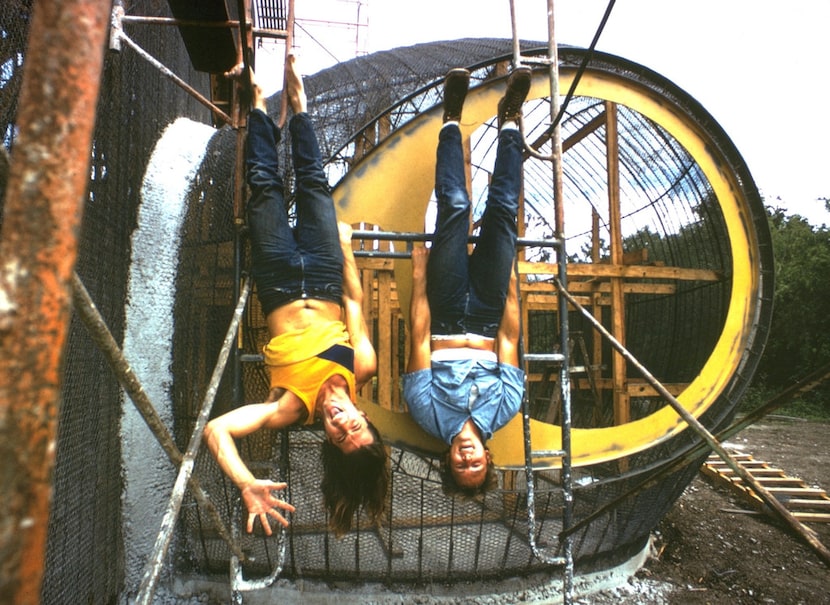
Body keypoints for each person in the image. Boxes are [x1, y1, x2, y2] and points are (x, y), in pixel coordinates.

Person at [204, 55, 388, 538]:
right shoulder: (361, 368)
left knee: (264, 185)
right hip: (326, 273)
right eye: (355, 426)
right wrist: (345, 248)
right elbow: (354, 302)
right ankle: (301, 109)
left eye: (337, 434)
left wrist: (246, 483)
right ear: (364, 418)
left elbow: (216, 431)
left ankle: (261, 107)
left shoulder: (290, 409)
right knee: (314, 185)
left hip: (279, 280)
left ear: (326, 438)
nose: (340, 421)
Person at [402, 67, 531, 498]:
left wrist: (420, 278)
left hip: (447, 309)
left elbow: (418, 338)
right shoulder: (507, 406)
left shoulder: (427, 414)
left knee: (455, 207)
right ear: (488, 457)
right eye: (475, 464)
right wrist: (508, 274)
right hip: (487, 313)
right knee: (504, 210)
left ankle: (451, 119)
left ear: (448, 460)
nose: (467, 458)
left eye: (461, 465)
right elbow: (510, 337)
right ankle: (511, 119)